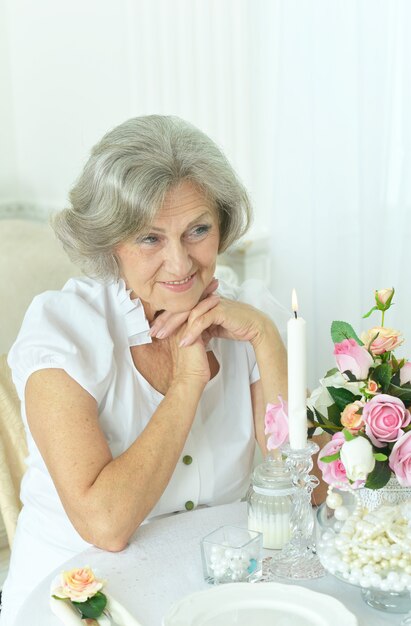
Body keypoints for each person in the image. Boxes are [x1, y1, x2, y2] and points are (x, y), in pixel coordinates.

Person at [0, 115, 309, 624]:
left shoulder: (251, 315)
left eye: (198, 230)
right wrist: (188, 383)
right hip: (73, 599)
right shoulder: (61, 331)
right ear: (109, 243)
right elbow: (107, 524)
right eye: (149, 238)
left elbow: (308, 499)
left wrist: (268, 342)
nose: (181, 263)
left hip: (216, 588)